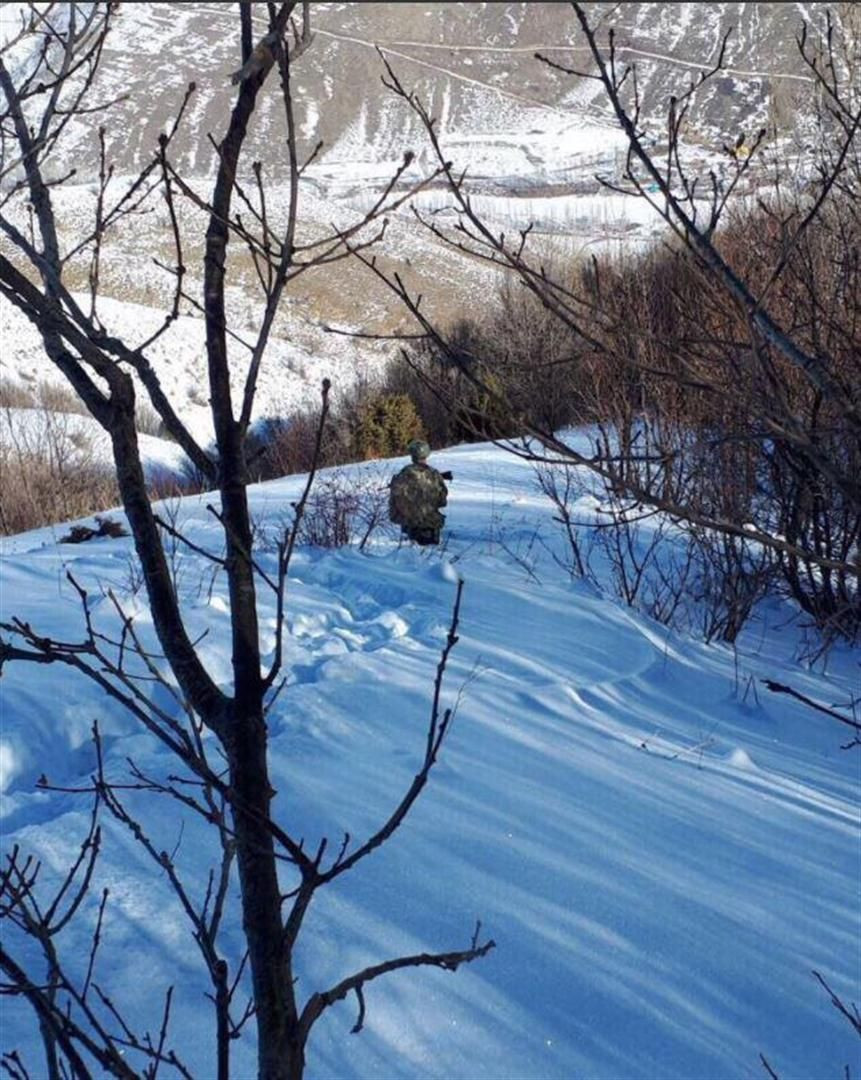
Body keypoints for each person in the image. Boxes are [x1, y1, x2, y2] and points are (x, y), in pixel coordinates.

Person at [388, 439, 451, 546]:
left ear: (412, 455)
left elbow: (394, 500)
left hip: (410, 524)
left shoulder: (404, 474)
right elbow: (442, 501)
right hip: (431, 523)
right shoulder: (434, 474)